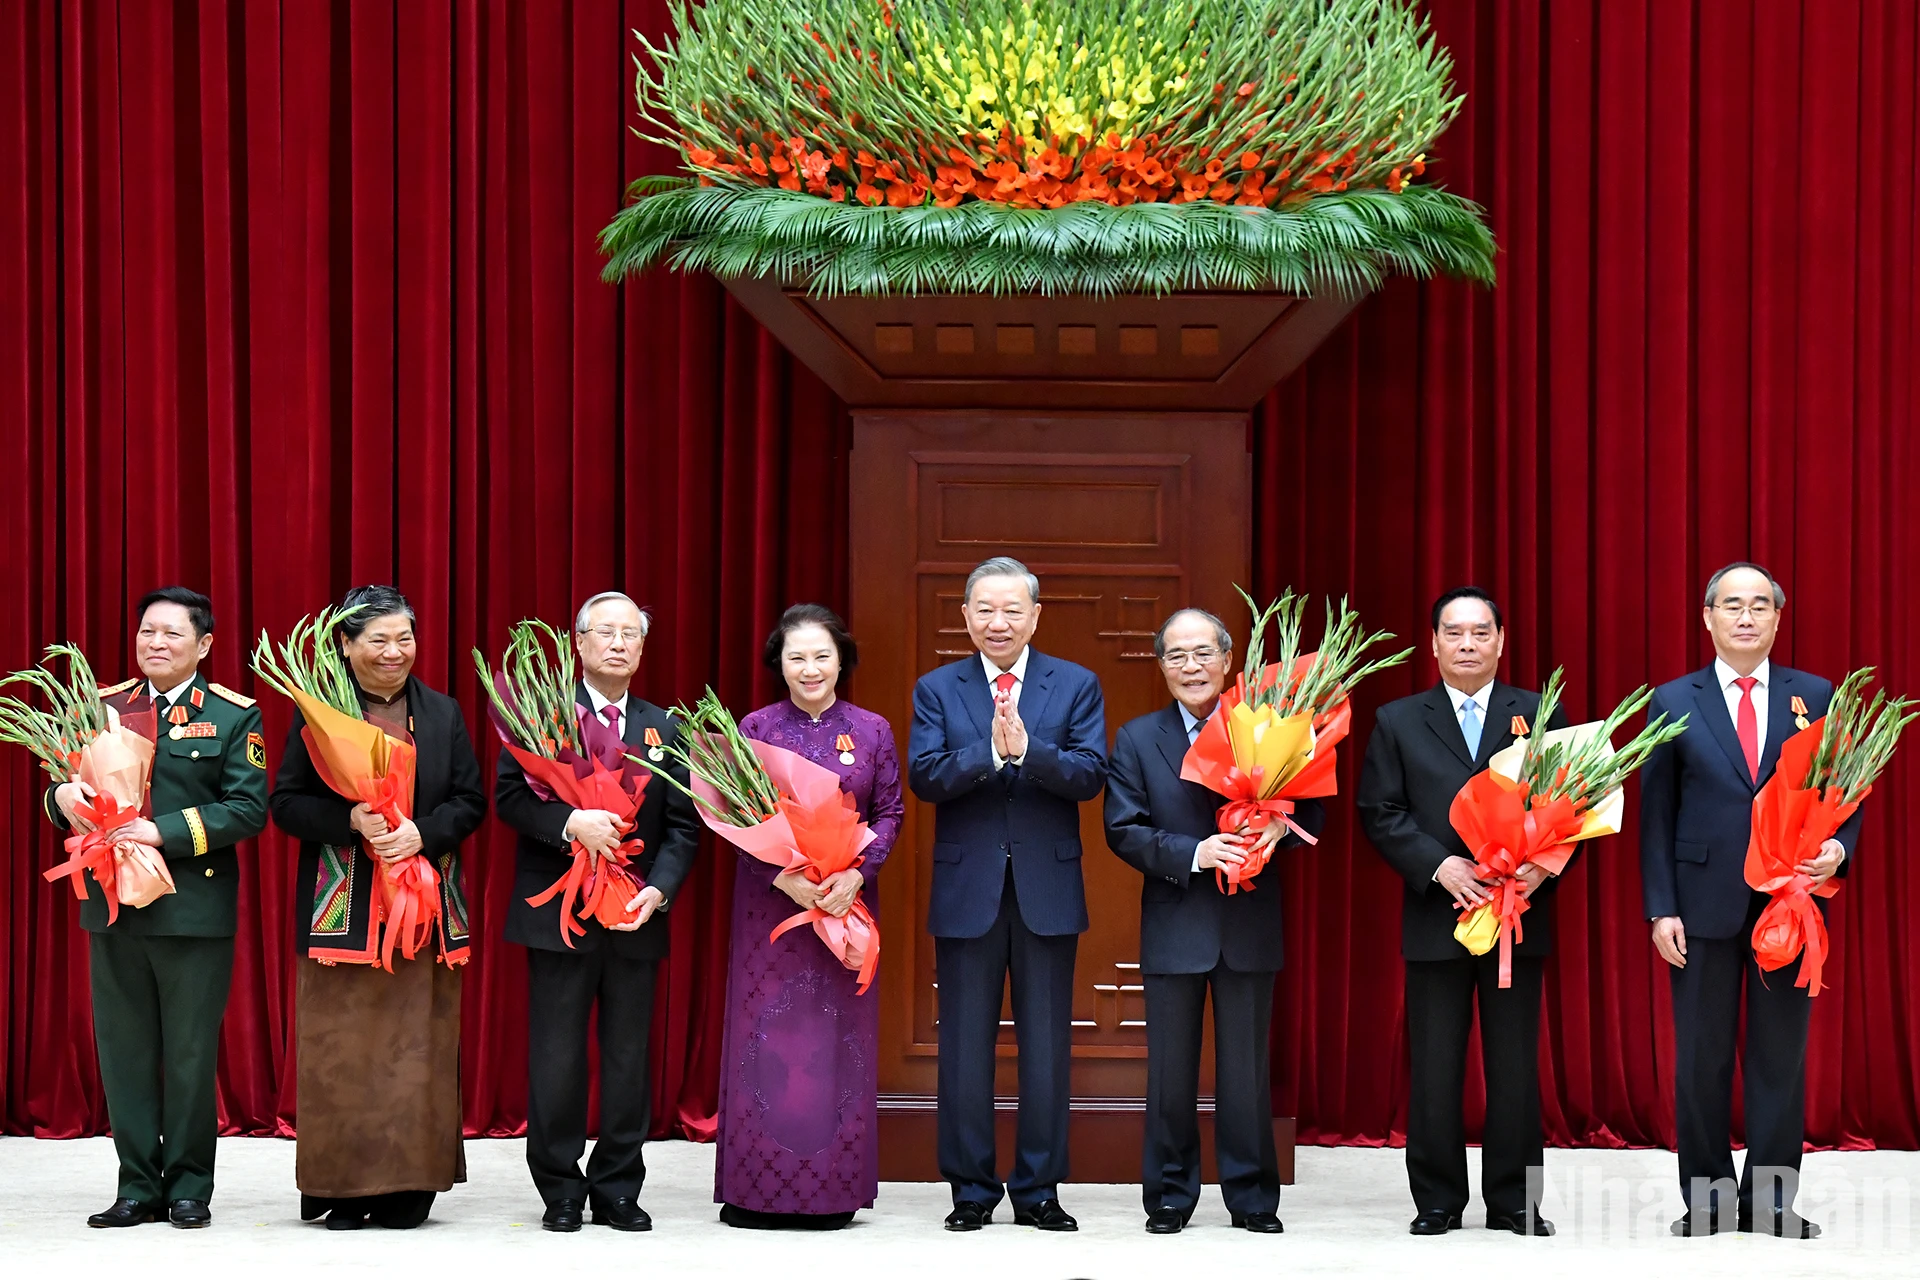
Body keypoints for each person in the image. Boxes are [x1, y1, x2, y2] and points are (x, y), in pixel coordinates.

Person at [1640, 562, 1862, 1238]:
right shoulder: (1674, 699)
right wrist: (1661, 908)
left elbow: (1844, 791)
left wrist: (1838, 850)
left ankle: (1770, 1204)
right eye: (1731, 605)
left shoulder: (1814, 695)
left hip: (1788, 905)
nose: (1745, 616)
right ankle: (1706, 1202)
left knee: (1778, 1061)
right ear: (1707, 617)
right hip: (1700, 905)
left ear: (1777, 617)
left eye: (1759, 605)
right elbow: (1656, 814)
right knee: (1701, 1060)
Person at [45, 587, 268, 1229]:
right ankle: (137, 1186)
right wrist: (60, 797)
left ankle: (191, 1185)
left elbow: (248, 809)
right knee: (125, 1052)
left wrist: (162, 832)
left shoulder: (232, 715)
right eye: (147, 631)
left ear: (203, 645)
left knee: (191, 1054)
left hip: (191, 910)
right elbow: (60, 792)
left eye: (172, 634)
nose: (156, 643)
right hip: (114, 907)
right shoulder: (102, 707)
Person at [268, 585, 486, 1231]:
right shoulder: (318, 713)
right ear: (346, 643)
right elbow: (284, 804)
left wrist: (425, 832)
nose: (395, 652)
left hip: (423, 907)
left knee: (418, 1046)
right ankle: (344, 1187)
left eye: (405, 638)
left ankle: (409, 1188)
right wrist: (350, 818)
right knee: (343, 1047)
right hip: (347, 907)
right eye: (378, 640)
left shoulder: (443, 713)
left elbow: (471, 802)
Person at [1104, 607, 1324, 1235]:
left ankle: (1253, 1198)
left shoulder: (1271, 727)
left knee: (1246, 1074)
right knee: (1170, 1075)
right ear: (1161, 666)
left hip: (1249, 924)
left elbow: (1313, 815)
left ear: (1228, 661)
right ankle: (1171, 1197)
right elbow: (1123, 829)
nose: (1190, 665)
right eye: (1176, 655)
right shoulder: (1138, 738)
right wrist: (1195, 854)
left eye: (1203, 653)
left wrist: (1281, 825)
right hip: (1176, 922)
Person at [1355, 586, 1567, 1238]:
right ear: (1435, 643)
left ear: (1501, 641)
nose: (1468, 644)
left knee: (1513, 1071)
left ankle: (1516, 1203)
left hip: (1515, 916)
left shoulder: (1538, 713)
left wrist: (1543, 861)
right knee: (1437, 1068)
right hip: (1436, 916)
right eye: (1455, 633)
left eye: (1481, 633)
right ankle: (1437, 1202)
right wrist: (1436, 866)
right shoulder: (1398, 719)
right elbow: (1380, 811)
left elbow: (1571, 808)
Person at [907, 555, 1107, 1233]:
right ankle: (969, 1190)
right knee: (964, 1045)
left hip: (1047, 888)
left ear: (1035, 617)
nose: (998, 622)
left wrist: (1028, 752)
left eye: (1011, 610)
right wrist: (989, 755)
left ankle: (1040, 1190)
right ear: (965, 617)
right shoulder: (936, 689)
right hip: (969, 890)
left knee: (1047, 1045)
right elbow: (926, 778)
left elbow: (1088, 776)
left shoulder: (1076, 685)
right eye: (984, 610)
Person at [496, 591, 700, 1233]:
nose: (617, 643)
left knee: (626, 1057)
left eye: (629, 635)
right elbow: (509, 799)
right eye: (604, 632)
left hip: (635, 914)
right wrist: (570, 823)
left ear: (642, 649)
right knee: (557, 1056)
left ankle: (617, 1184)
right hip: (560, 914)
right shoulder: (539, 716)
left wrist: (658, 890)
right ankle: (559, 1185)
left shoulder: (666, 728)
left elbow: (685, 827)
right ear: (578, 644)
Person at [716, 604, 904, 1230]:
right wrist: (785, 876)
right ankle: (754, 1190)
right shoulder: (756, 727)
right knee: (767, 1036)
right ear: (780, 664)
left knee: (834, 1042)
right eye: (797, 657)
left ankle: (832, 1191)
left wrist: (857, 873)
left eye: (822, 655)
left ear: (842, 659)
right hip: (773, 909)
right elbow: (739, 820)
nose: (811, 668)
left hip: (844, 907)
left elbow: (890, 813)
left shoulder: (872, 729)